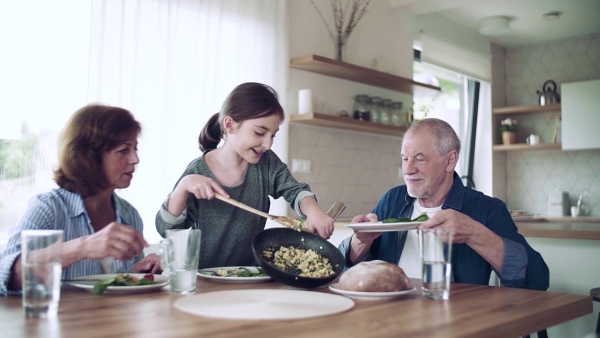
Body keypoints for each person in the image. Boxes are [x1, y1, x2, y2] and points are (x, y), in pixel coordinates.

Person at [339, 118, 549, 290]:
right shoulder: (393, 199)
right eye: (405, 159)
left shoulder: (486, 209)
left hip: (458, 320)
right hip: (392, 316)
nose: (408, 170)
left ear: (450, 160)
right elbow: (342, 266)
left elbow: (537, 280)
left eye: (419, 159)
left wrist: (474, 233)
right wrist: (361, 241)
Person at [156, 82, 334, 269]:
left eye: (273, 135)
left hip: (251, 275)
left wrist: (313, 211)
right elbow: (167, 230)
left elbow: (295, 191)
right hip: (206, 279)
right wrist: (183, 187)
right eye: (259, 133)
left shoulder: (267, 163)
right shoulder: (197, 172)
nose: (267, 144)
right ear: (230, 125)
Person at [0, 104, 161, 296]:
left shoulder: (129, 215)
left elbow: (115, 285)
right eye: (123, 150)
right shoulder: (48, 208)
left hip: (108, 323)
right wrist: (81, 247)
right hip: (55, 323)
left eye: (135, 148)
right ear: (88, 156)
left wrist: (137, 273)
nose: (135, 159)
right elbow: (4, 275)